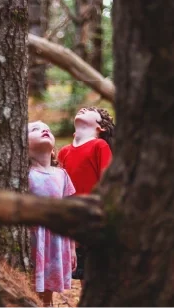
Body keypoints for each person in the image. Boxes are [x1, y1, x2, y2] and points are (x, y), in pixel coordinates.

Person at [58, 106, 115, 285]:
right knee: (83, 277)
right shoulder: (64, 152)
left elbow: (107, 183)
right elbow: (60, 189)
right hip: (72, 223)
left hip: (94, 219)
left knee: (97, 277)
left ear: (101, 127)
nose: (83, 109)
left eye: (90, 110)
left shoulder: (100, 145)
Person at [28, 120, 77, 307]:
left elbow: (68, 212)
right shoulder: (25, 173)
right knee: (31, 286)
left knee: (47, 292)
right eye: (35, 129)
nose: (44, 130)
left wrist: (72, 248)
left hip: (56, 242)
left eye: (47, 128)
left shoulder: (61, 175)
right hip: (34, 239)